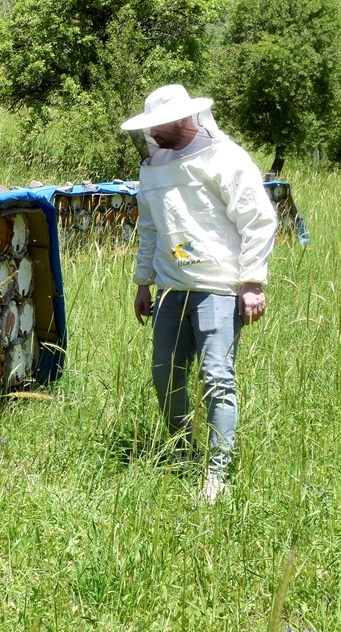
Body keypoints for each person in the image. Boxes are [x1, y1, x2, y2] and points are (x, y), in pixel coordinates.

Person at [119, 84, 277, 503]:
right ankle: (182, 456)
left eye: (159, 125)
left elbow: (258, 219)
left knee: (216, 379)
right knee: (164, 376)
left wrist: (252, 282)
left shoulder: (226, 158)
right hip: (171, 289)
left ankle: (218, 474)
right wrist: (143, 282)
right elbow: (150, 229)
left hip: (219, 289)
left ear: (185, 118)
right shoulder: (151, 168)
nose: (152, 134)